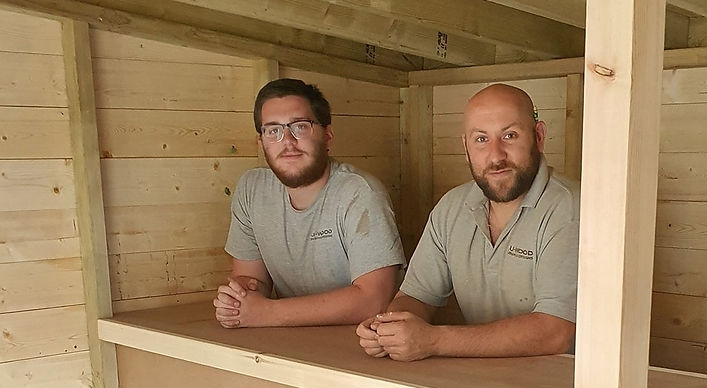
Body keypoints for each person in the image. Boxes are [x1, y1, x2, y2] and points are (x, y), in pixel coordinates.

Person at [357, 83, 578, 362]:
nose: (496, 156)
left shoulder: (570, 207)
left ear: (539, 136)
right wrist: (389, 328)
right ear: (465, 147)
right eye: (481, 139)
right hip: (477, 376)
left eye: (509, 135)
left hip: (562, 382)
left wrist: (434, 340)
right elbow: (416, 297)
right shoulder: (452, 207)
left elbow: (556, 332)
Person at [216, 78, 404, 328]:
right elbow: (251, 279)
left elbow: (374, 300)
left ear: (328, 135)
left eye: (300, 127)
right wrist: (238, 299)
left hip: (361, 339)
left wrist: (267, 313)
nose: (288, 141)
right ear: (261, 143)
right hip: (288, 337)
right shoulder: (252, 189)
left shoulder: (359, 192)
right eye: (273, 131)